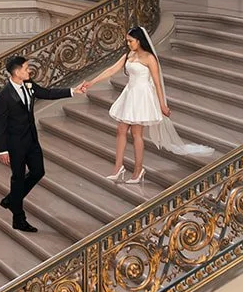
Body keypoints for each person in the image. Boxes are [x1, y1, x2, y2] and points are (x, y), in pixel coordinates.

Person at [89, 25, 212, 186]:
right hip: (130, 94)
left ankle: (138, 170)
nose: (128, 44)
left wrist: (162, 104)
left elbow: (157, 83)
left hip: (142, 96)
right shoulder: (129, 55)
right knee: (120, 130)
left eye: (131, 41)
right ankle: (118, 167)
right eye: (127, 41)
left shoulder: (149, 58)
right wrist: (91, 82)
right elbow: (112, 69)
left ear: (139, 41)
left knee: (136, 133)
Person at [0, 54, 90, 233]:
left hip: (31, 139)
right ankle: (18, 218)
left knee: (38, 171)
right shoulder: (4, 95)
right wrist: (3, 150)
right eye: (25, 68)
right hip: (15, 144)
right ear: (16, 72)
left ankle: (11, 200)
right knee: (18, 177)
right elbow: (0, 124)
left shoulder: (29, 85)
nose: (28, 70)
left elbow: (47, 93)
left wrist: (72, 91)